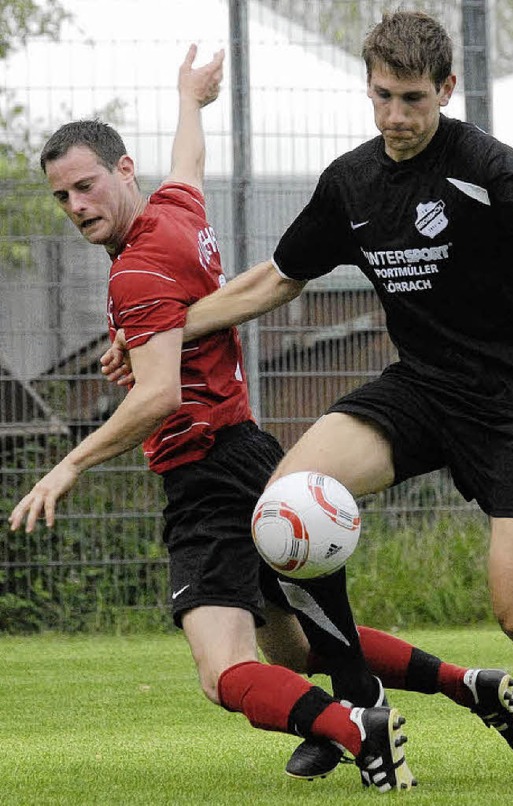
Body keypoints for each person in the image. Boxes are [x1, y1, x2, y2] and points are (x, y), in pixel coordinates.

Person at [102, 11, 513, 787]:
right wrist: (159, 332)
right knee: (282, 506)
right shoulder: (351, 181)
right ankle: (359, 697)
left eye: (413, 99)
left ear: (445, 90)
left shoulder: (479, 161)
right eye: (382, 96)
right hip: (420, 389)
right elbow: (272, 282)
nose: (395, 116)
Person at [7, 44, 421, 794]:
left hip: (203, 472)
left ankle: (355, 726)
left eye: (86, 186)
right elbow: (189, 164)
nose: (76, 207)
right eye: (62, 196)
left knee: (223, 669)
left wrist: (70, 462)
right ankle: (460, 685)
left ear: (123, 171)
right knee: (295, 645)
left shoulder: (135, 269)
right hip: (249, 449)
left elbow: (159, 395)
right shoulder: (175, 209)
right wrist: (191, 102)